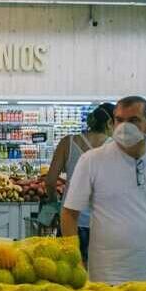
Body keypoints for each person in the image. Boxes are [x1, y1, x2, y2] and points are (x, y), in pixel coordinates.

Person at [62, 95, 146, 289]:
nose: (124, 126)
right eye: (119, 120)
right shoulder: (91, 160)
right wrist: (75, 260)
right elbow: (69, 213)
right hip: (106, 279)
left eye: (133, 120)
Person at [43, 102, 115, 258]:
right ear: (110, 123)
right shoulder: (115, 148)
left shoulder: (67, 142)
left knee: (69, 268)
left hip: (70, 220)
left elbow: (50, 181)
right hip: (103, 223)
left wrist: (54, 202)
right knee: (99, 271)